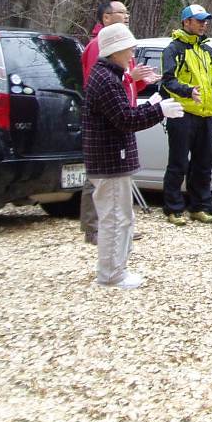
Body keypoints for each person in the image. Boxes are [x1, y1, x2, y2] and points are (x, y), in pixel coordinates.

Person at [83, 23, 183, 289]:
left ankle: (117, 269)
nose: (133, 54)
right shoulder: (106, 79)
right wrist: (160, 110)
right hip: (109, 160)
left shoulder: (110, 76)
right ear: (115, 50)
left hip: (112, 158)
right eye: (129, 49)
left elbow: (122, 113)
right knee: (115, 218)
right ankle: (111, 275)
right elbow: (125, 118)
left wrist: (150, 105)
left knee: (121, 216)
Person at [79, 0, 158, 244]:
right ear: (106, 17)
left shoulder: (123, 45)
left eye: (127, 12)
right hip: (109, 124)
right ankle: (95, 228)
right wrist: (129, 78)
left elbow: (125, 82)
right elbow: (105, 84)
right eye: (121, 12)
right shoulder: (101, 46)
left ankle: (118, 229)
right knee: (101, 178)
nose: (126, 16)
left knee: (117, 183)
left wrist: (142, 81)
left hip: (123, 117)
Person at [160, 4, 212, 226]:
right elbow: (168, 81)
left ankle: (199, 207)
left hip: (206, 115)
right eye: (199, 20)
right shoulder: (173, 50)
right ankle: (173, 208)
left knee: (203, 163)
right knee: (178, 163)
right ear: (186, 22)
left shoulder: (207, 50)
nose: (203, 24)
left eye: (205, 20)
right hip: (183, 114)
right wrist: (188, 91)